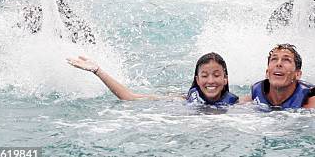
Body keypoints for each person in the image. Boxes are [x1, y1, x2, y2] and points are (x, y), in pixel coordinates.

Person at [67, 51, 238, 107]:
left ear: (225, 79)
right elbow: (129, 97)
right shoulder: (184, 100)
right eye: (205, 75)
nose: (210, 81)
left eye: (216, 75)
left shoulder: (235, 105)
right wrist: (97, 70)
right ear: (197, 80)